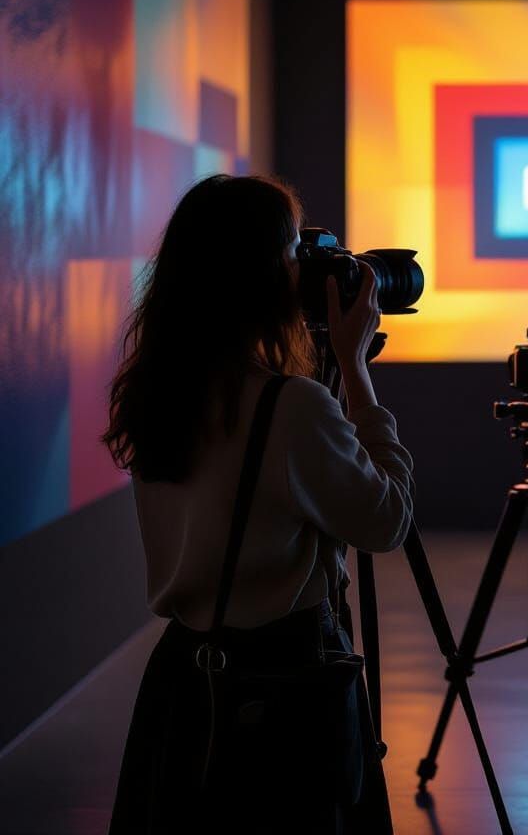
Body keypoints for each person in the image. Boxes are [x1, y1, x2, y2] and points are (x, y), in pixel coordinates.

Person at [104, 174, 413, 834]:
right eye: (295, 253)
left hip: (183, 686)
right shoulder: (292, 406)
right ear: (260, 276)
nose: (307, 269)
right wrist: (355, 370)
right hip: (282, 688)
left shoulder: (158, 392)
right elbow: (386, 520)